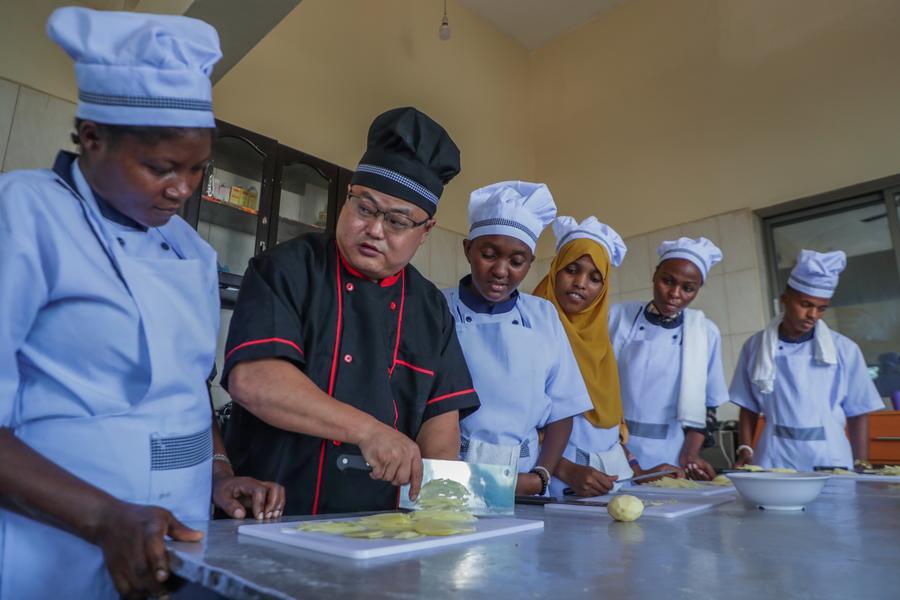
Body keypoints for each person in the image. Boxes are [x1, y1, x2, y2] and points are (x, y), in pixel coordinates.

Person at [0, 8, 283, 599]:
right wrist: (104, 518)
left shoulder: (191, 251)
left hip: (175, 543)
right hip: (53, 546)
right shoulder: (24, 215)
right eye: (160, 168)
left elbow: (188, 390)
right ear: (92, 136)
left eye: (198, 169)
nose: (182, 189)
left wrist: (218, 473)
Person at [222, 107, 480, 516]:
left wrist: (437, 514)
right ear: (348, 198)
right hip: (272, 517)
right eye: (365, 209)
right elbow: (254, 380)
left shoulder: (432, 308)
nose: (374, 229)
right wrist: (367, 431)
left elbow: (441, 426)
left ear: (426, 231)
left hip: (380, 528)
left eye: (397, 221)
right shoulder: (286, 268)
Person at [443, 182, 592, 496]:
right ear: (467, 249)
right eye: (488, 254)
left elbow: (562, 409)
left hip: (526, 478)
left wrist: (541, 476)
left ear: (530, 262)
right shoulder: (438, 308)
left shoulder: (543, 315)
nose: (500, 270)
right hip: (451, 475)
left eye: (516, 261)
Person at [533, 217, 682, 497]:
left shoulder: (599, 343)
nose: (580, 283)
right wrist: (566, 470)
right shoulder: (532, 331)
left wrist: (640, 472)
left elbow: (609, 430)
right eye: (571, 270)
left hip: (613, 483)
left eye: (594, 278)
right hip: (553, 485)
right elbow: (514, 425)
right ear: (554, 270)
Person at [730, 250, 883, 471]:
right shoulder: (755, 346)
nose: (813, 315)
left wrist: (861, 461)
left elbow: (857, 412)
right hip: (774, 457)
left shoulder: (844, 349)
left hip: (830, 457)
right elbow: (748, 406)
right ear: (784, 300)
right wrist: (745, 448)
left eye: (821, 308)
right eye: (805, 304)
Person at [609, 237, 729, 480]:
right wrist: (632, 464)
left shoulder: (705, 332)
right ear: (655, 275)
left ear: (698, 289)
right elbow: (595, 393)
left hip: (671, 457)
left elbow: (707, 407)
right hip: (612, 449)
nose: (675, 294)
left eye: (688, 288)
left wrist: (689, 456)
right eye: (668, 281)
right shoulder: (617, 316)